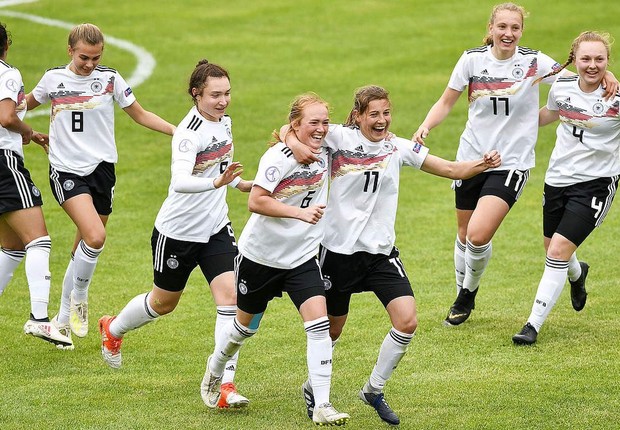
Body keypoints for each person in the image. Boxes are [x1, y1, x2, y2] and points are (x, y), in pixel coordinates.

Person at [285, 85, 500, 426]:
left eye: (386, 113)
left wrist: (481, 164)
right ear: (358, 116)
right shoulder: (338, 138)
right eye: (374, 114)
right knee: (332, 332)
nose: (382, 120)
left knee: (407, 321)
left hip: (380, 254)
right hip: (338, 254)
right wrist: (300, 148)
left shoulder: (397, 147)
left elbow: (449, 169)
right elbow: (289, 130)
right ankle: (314, 386)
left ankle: (373, 389)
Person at [412, 3, 618, 326]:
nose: (508, 33)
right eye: (503, 27)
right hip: (472, 157)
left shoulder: (534, 62)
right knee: (465, 234)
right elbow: (446, 101)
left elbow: (579, 74)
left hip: (511, 162)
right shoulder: (471, 61)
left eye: (515, 28)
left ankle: (467, 295)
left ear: (521, 31)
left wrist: (607, 75)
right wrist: (426, 126)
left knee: (478, 235)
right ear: (491, 28)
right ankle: (576, 273)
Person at [98, 60, 252, 408]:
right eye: (215, 95)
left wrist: (240, 183)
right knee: (163, 303)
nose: (223, 101)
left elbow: (222, 163)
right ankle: (113, 329)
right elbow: (180, 181)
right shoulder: (187, 133)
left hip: (215, 227)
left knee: (230, 300)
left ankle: (223, 385)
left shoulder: (224, 122)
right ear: (196, 94)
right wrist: (217, 182)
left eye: (227, 93)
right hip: (178, 233)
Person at [201, 93, 350, 426]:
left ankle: (322, 405)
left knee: (319, 326)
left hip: (302, 258)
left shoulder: (327, 148)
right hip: (261, 259)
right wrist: (299, 213)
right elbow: (256, 201)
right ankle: (215, 369)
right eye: (314, 122)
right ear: (297, 123)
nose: (322, 129)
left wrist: (296, 135)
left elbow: (306, 131)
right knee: (243, 328)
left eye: (325, 122)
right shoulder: (278, 157)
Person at [25, 23, 175, 347]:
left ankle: (62, 322)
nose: (89, 64)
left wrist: (180, 133)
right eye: (83, 58)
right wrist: (28, 132)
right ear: (70, 51)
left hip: (102, 171)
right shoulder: (53, 80)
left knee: (84, 247)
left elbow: (140, 114)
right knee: (95, 236)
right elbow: (19, 107)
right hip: (65, 169)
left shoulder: (109, 79)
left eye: (95, 57)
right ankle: (80, 296)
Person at [512, 31, 620, 345]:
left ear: (607, 61)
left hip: (596, 184)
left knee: (558, 250)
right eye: (586, 58)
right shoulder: (561, 85)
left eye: (600, 59)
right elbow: (551, 113)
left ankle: (532, 325)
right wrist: (510, 127)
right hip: (558, 177)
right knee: (554, 249)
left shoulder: (616, 97)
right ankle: (577, 273)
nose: (593, 65)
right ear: (575, 59)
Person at [0, 22, 71, 348]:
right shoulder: (7, 73)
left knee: (12, 247)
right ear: (6, 46)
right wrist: (28, 132)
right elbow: (6, 117)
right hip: (3, 163)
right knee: (38, 240)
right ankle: (40, 320)